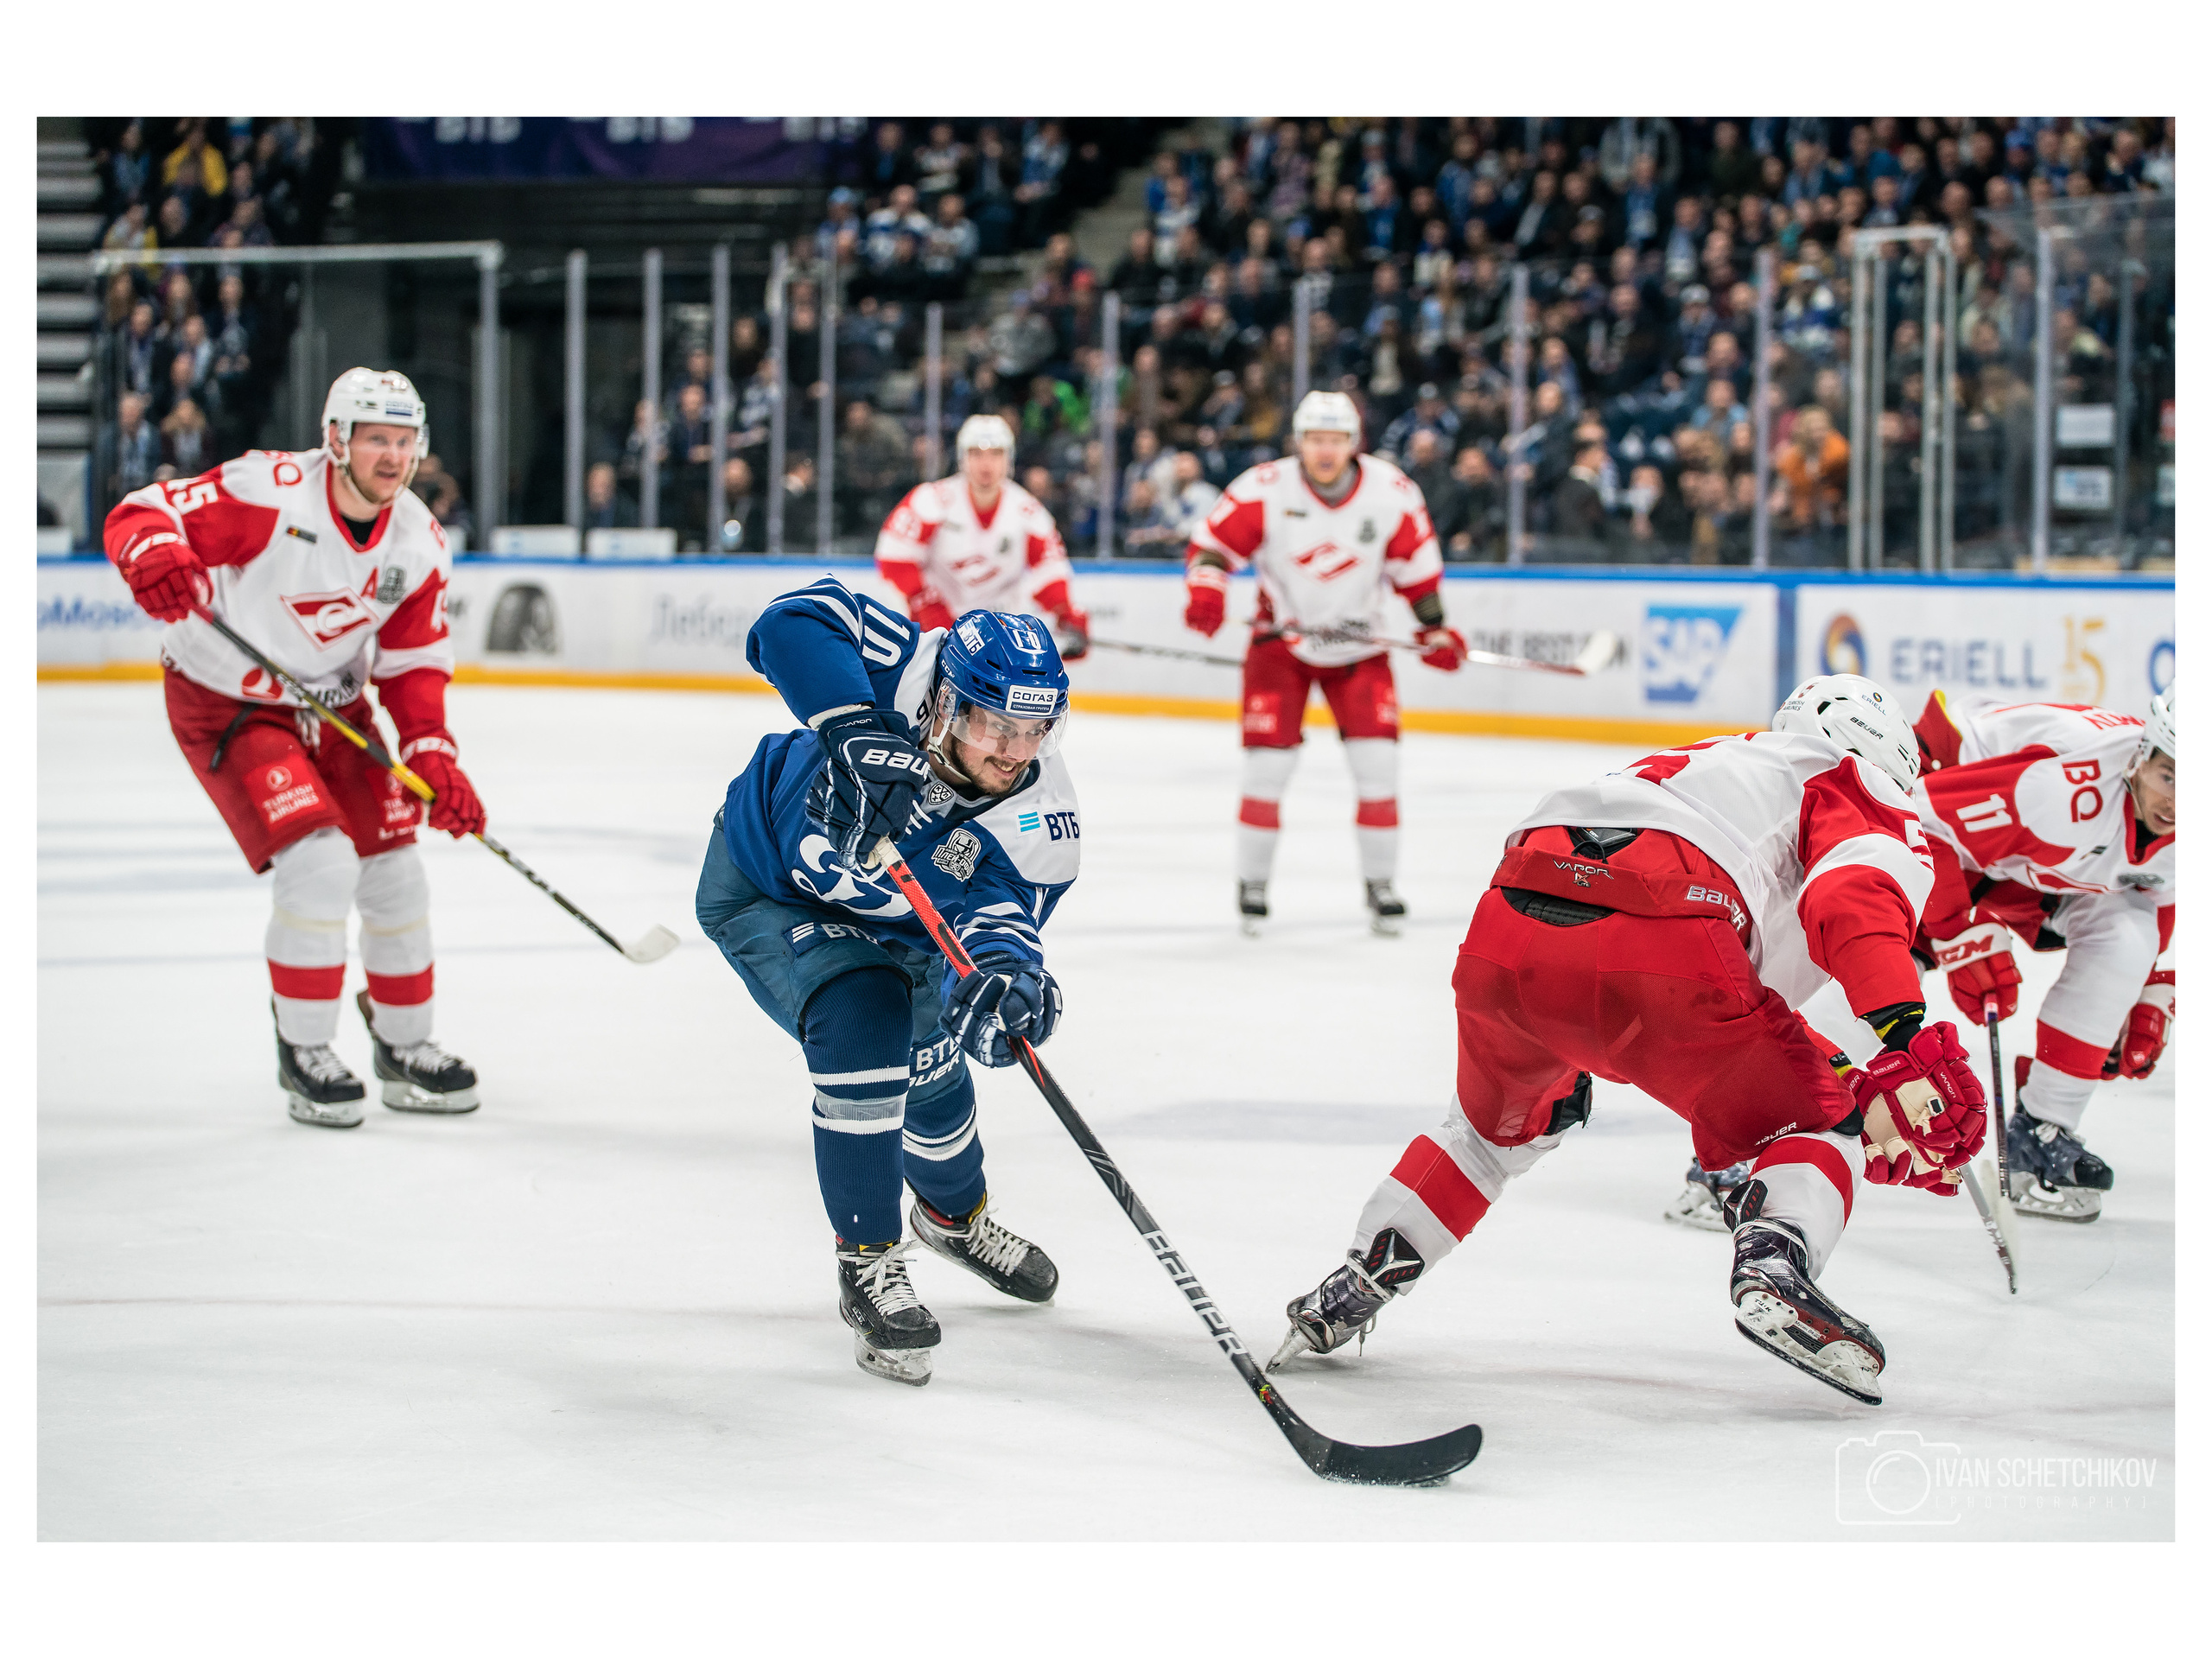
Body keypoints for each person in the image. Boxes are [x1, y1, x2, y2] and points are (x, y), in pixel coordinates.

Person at [1269, 676, 1988, 1405]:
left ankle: (1355, 1285)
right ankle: (1774, 1263)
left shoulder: (1712, 763)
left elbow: (1750, 997)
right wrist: (1903, 1034)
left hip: (1509, 931)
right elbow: (1850, 897)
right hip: (1666, 938)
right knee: (1824, 1119)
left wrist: (1830, 1056)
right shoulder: (1853, 782)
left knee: (1489, 1136)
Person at [695, 579, 1078, 1386]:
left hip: (900, 923)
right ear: (944, 702)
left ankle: (956, 1220)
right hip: (764, 886)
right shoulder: (908, 666)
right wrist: (857, 731)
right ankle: (869, 1262)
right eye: (994, 724)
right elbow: (787, 623)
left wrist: (1006, 984)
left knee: (935, 1069)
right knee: (862, 1021)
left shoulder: (1037, 822)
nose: (1012, 752)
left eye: (1033, 731)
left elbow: (1003, 926)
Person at [100, 368, 483, 1129]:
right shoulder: (269, 494)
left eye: (404, 441)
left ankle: (404, 1044)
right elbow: (144, 512)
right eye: (376, 438)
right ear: (336, 439)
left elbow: (411, 665)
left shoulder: (417, 539)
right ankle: (304, 1047)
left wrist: (433, 753)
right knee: (319, 862)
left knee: (396, 873)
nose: (392, 456)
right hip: (227, 704)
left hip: (332, 709)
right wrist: (151, 553)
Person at [1181, 389, 1468, 937]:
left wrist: (1434, 627)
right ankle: (1253, 883)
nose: (1325, 450)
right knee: (1267, 771)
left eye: (1335, 439)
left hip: (1361, 650)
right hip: (1280, 646)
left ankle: (1381, 887)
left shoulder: (1392, 492)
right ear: (1300, 442)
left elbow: (1417, 569)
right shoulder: (1264, 489)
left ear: (1353, 443)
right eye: (1315, 439)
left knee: (1378, 769)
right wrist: (1208, 590)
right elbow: (1213, 547)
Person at [1909, 688, 2176, 1221]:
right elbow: (1918, 819)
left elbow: (2159, 895)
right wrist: (1959, 933)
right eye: (2171, 778)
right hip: (1943, 786)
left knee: (2129, 938)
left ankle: (2042, 1126)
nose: (2183, 804)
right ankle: (1764, 1130)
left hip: (2036, 858)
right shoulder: (2062, 791)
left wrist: (2152, 992)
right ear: (2141, 756)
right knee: (1880, 961)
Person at [874, 413, 1090, 659]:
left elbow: (1050, 571)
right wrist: (926, 603)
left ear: (1009, 459)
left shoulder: (1027, 511)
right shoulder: (931, 500)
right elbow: (893, 558)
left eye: (996, 454)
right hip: (937, 635)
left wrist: (1067, 613)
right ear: (962, 458)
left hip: (1000, 637)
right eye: (976, 453)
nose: (986, 464)